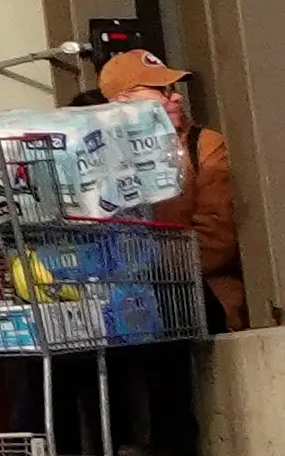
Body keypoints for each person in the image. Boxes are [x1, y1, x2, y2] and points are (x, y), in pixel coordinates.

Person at [101, 47, 246, 330]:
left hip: (197, 298)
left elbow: (218, 234)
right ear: (122, 101)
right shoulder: (99, 153)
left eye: (173, 89)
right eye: (162, 90)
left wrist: (149, 267)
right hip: (125, 305)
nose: (176, 96)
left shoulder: (203, 144)